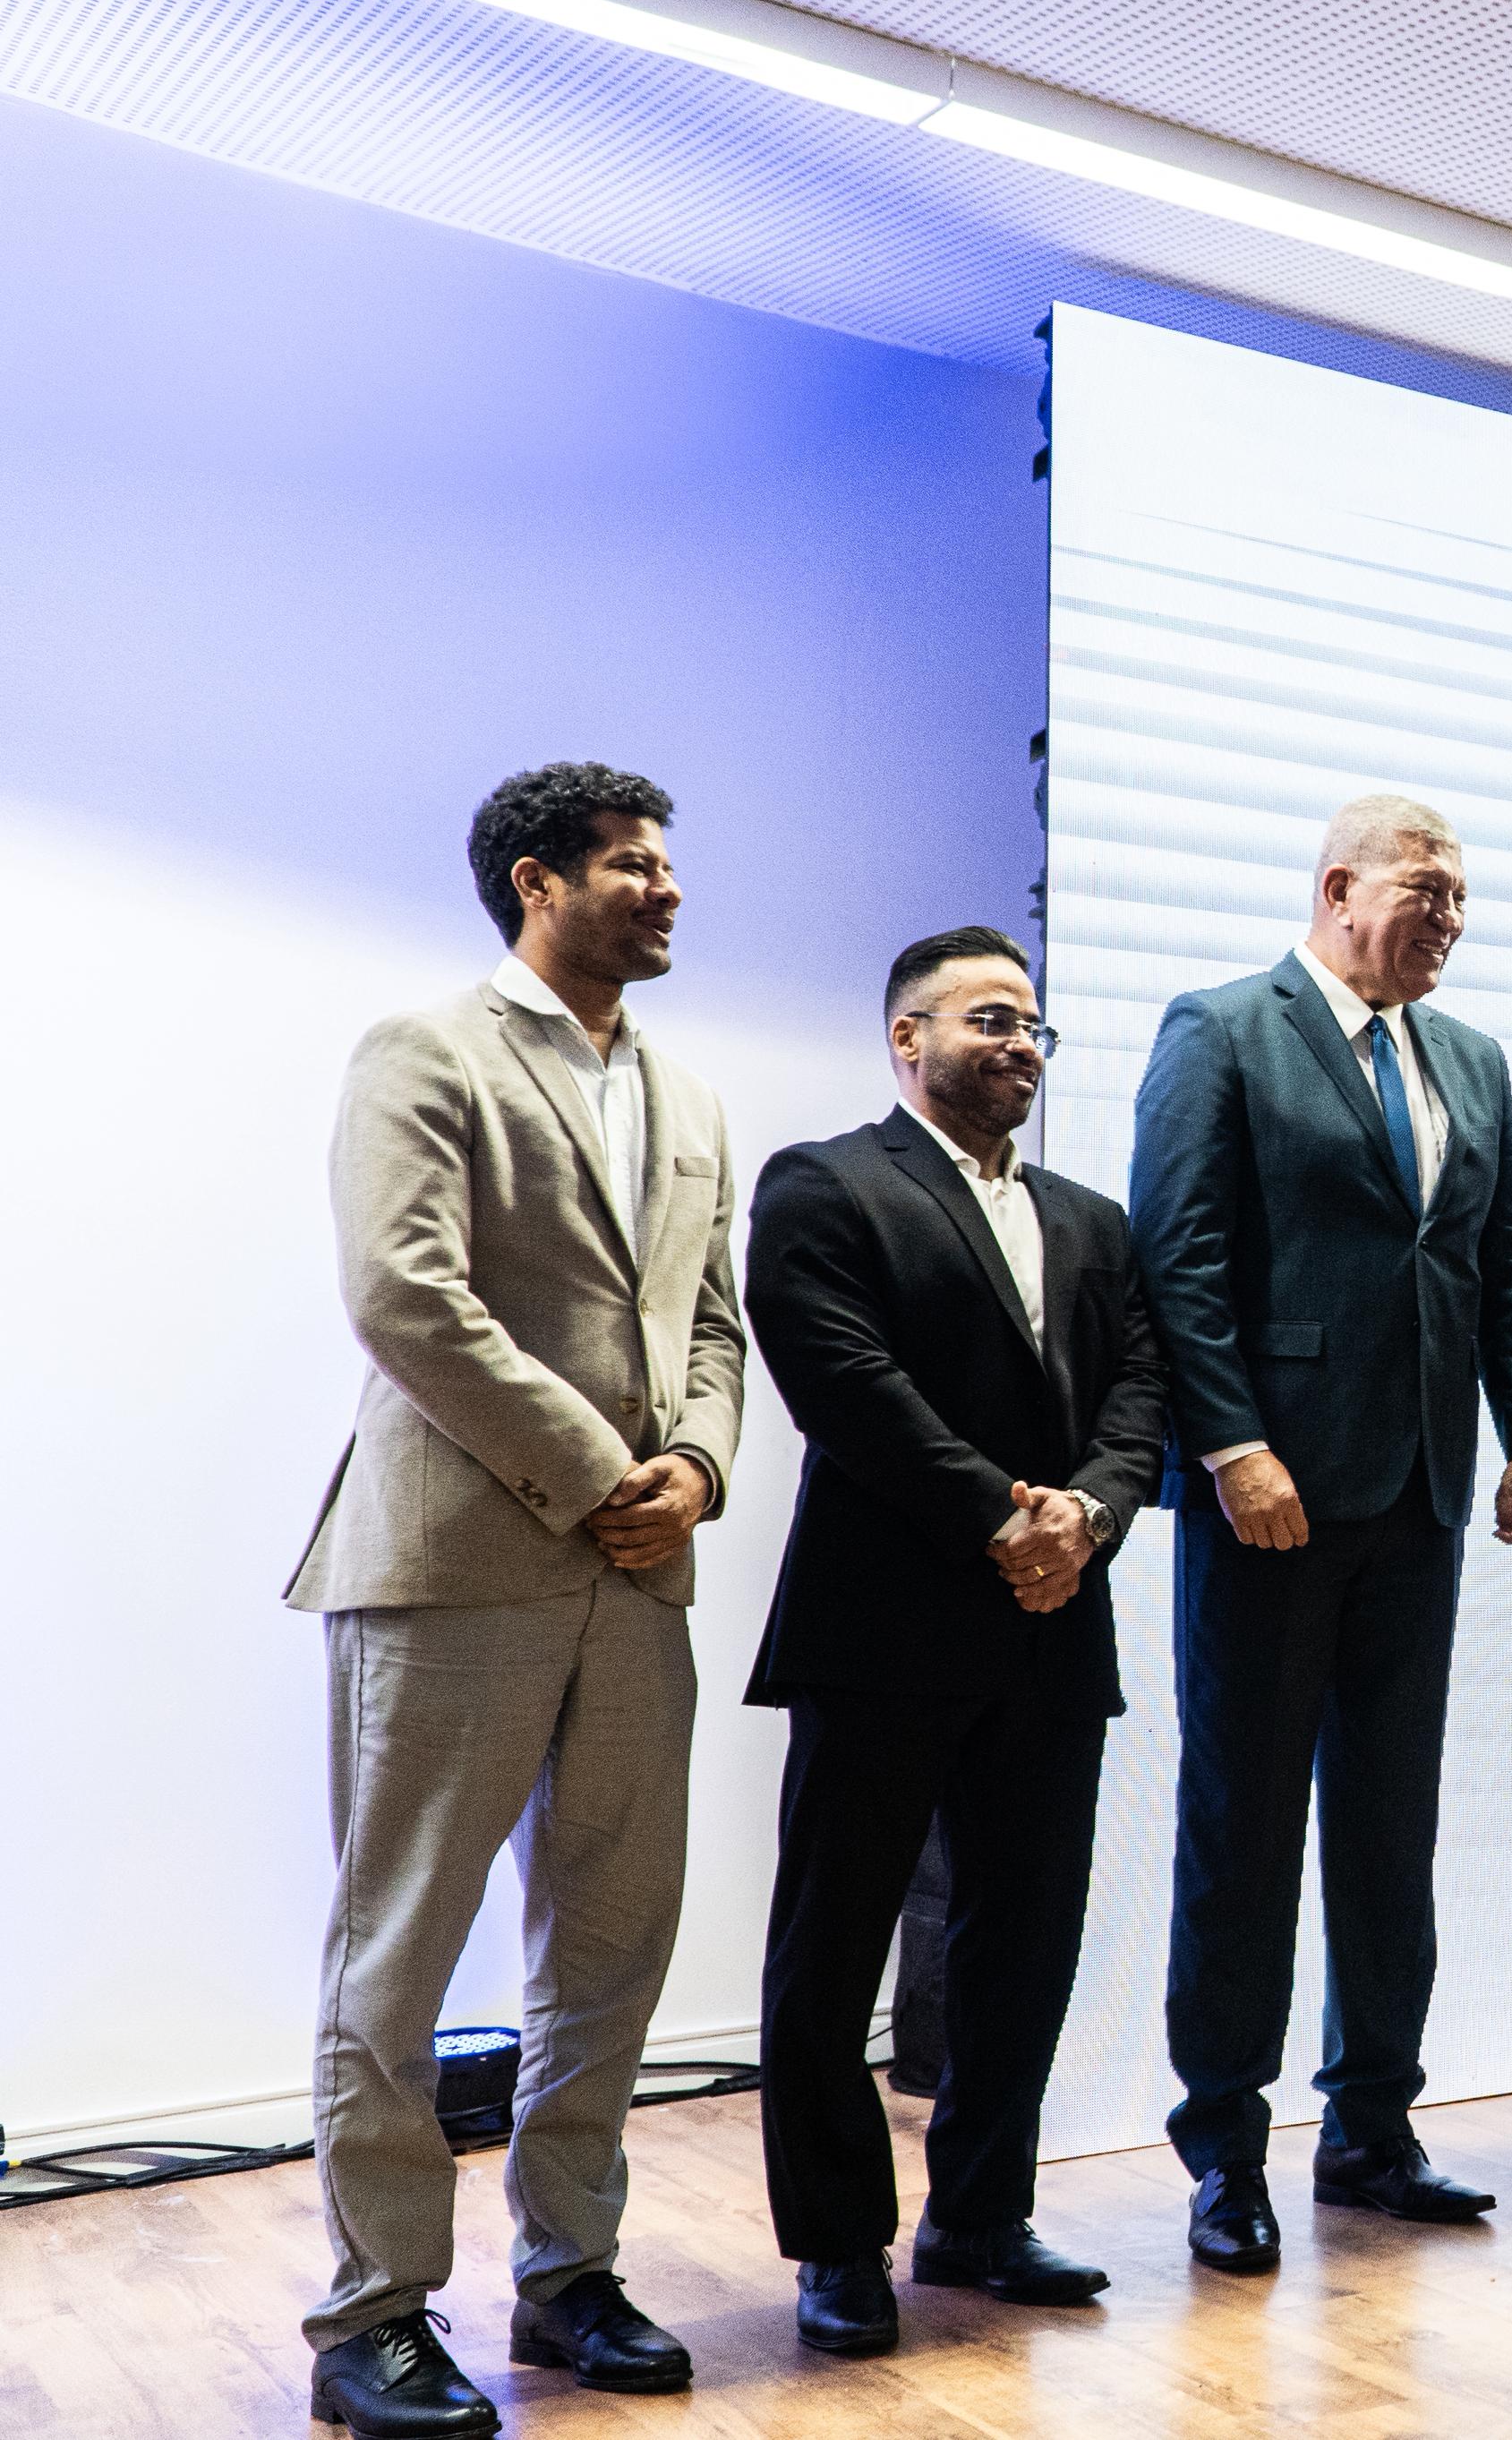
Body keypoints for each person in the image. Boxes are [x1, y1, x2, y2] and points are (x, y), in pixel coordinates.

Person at [286, 763, 743, 2439]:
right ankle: (373, 2311)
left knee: (612, 1942)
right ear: (536, 881)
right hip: (455, 1560)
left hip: (639, 1570)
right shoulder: (424, 1049)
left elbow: (714, 1324)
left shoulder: (690, 1097)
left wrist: (692, 1467)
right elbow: (405, 1290)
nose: (670, 887)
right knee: (399, 1951)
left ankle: (569, 2272)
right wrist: (599, 1467)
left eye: (671, 863)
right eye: (633, 863)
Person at [1131, 793, 1512, 2275]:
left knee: (1390, 1825)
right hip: (1270, 1497)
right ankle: (1225, 2148)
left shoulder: (1476, 1057)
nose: (1449, 917)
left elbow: (1508, 1253)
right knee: (1242, 1829)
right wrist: (1232, 1444)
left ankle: (1372, 2126)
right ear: (1337, 886)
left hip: (1421, 1493)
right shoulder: (1222, 1028)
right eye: (1427, 889)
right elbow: (1178, 1256)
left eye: (1463, 899)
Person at [740, 927, 1168, 2355]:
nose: (1023, 1045)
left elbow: (1140, 1397)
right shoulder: (826, 1181)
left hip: (1055, 1627)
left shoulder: (1096, 1221)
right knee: (835, 1939)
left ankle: (979, 2214)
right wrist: (1002, 1517)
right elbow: (840, 1379)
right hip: (885, 1623)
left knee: (1024, 1940)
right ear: (904, 1036)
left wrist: (1088, 1522)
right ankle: (839, 2242)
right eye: (991, 1018)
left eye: (1037, 1025)